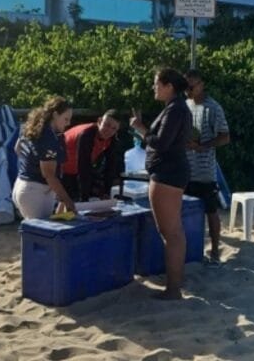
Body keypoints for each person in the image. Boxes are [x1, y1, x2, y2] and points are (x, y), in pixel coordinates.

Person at [130, 67, 192, 300]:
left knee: (170, 232)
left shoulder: (175, 109)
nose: (153, 87)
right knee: (174, 231)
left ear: (169, 86)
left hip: (167, 174)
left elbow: (161, 143)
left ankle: (173, 288)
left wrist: (140, 128)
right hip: (171, 172)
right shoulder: (176, 108)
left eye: (156, 83)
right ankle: (176, 283)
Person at [183, 69, 229, 264]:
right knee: (185, 211)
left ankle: (215, 251)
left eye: (191, 86)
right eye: (185, 87)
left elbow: (225, 137)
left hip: (204, 170)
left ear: (201, 85)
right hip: (185, 169)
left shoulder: (213, 108)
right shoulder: (185, 105)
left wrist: (202, 147)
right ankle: (191, 250)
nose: (188, 91)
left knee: (211, 211)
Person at [11, 96, 76, 220]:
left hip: (24, 185)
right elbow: (49, 175)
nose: (68, 123)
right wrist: (67, 201)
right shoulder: (48, 138)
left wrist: (30, 165)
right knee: (41, 235)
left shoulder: (33, 126)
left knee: (36, 234)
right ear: (55, 115)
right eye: (66, 119)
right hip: (35, 192)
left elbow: (17, 149)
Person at [58, 110, 124, 201]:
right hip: (58, 169)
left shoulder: (111, 139)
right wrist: (84, 199)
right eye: (107, 125)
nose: (109, 130)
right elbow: (83, 166)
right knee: (68, 203)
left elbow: (110, 166)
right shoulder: (87, 134)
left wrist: (106, 192)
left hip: (74, 170)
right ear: (99, 121)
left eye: (114, 128)